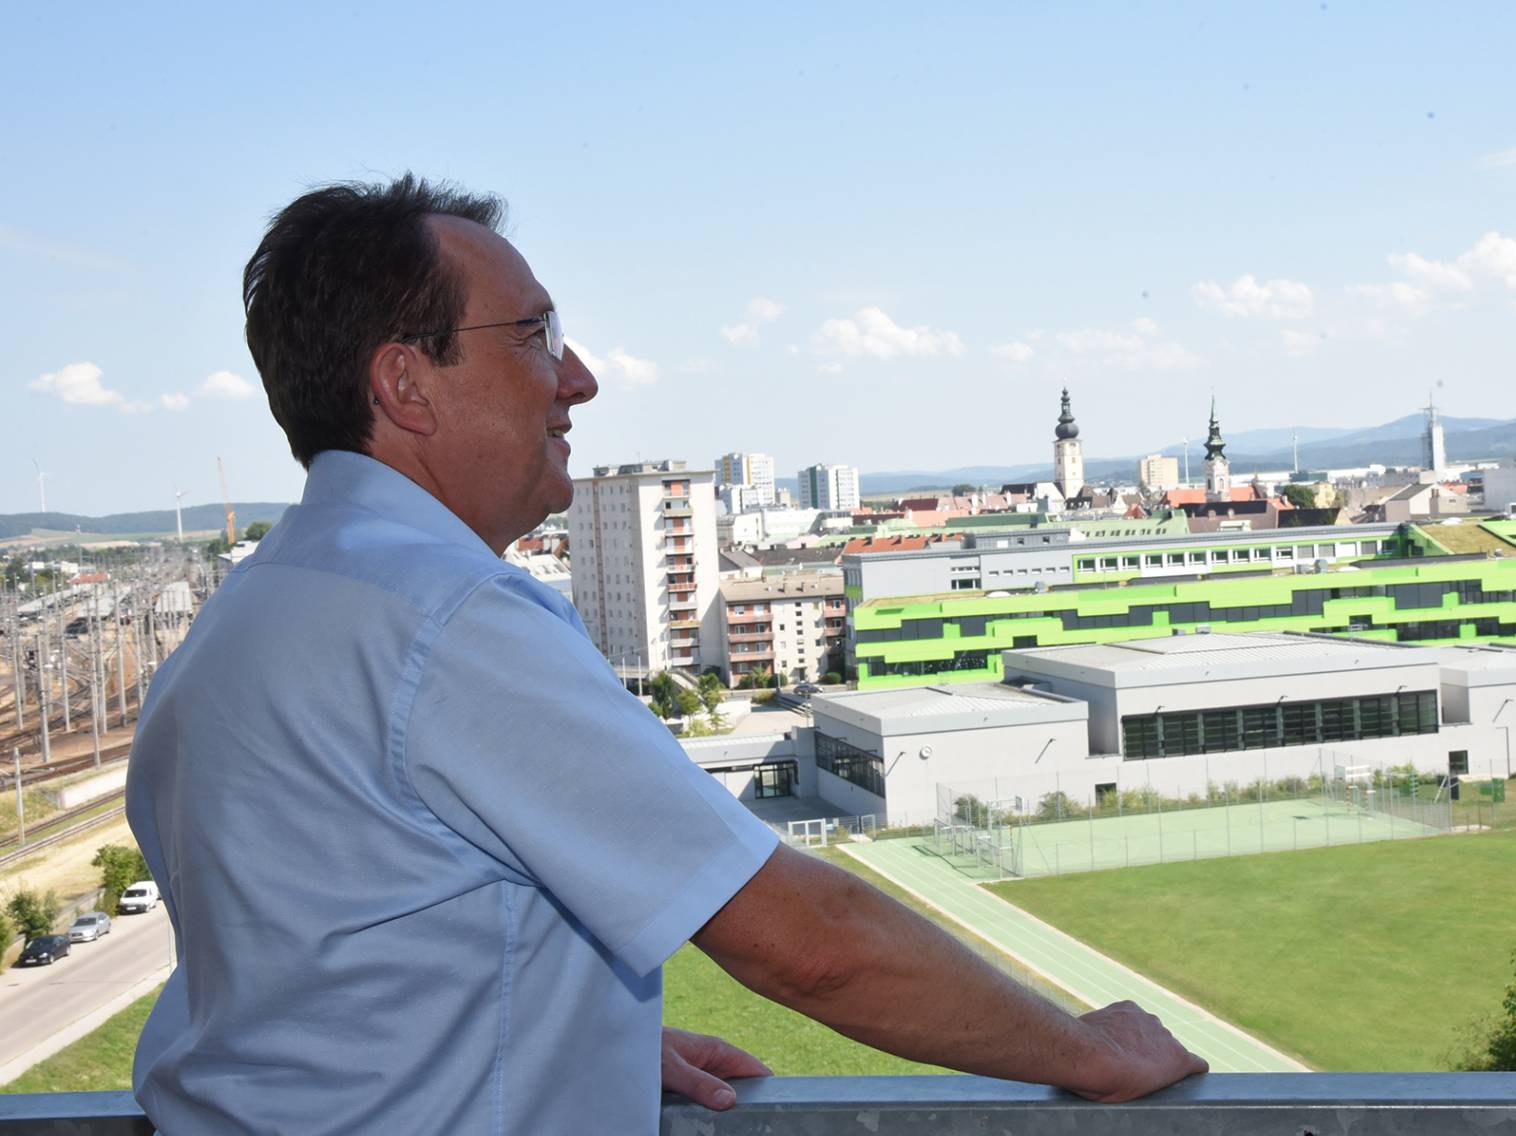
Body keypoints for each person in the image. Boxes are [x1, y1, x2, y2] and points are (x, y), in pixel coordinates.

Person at [124, 175, 1204, 1135]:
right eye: (535, 335)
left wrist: (554, 1039)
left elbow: (319, 961)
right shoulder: (450, 620)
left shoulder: (255, 609)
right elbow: (810, 941)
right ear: (407, 384)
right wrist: (1088, 1049)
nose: (579, 378)